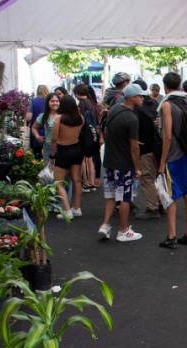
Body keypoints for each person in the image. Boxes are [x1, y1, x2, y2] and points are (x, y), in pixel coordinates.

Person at [158, 72, 187, 248]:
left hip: (174, 155)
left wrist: (162, 161)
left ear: (165, 86)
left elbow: (167, 135)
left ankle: (171, 235)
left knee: (171, 195)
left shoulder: (167, 105)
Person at [98, 83, 145, 242]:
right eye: (140, 96)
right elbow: (133, 147)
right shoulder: (132, 118)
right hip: (124, 163)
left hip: (110, 160)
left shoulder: (114, 110)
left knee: (111, 195)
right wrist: (136, 168)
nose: (142, 98)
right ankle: (123, 230)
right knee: (125, 197)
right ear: (132, 98)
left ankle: (105, 225)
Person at [132, 78, 163, 220]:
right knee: (156, 177)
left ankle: (153, 208)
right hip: (157, 145)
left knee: (146, 178)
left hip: (144, 147)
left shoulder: (138, 109)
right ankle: (161, 202)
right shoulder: (154, 103)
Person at [50, 95, 86, 218]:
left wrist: (52, 154)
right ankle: (77, 207)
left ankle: (66, 209)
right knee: (76, 180)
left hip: (63, 151)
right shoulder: (80, 118)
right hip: (77, 149)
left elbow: (54, 138)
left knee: (58, 182)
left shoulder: (58, 118)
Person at [73, 83, 100, 192]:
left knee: (83, 159)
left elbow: (81, 120)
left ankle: (86, 183)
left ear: (77, 93)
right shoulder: (92, 102)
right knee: (90, 159)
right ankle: (92, 182)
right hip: (93, 133)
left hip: (84, 134)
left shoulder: (82, 104)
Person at [30, 92, 60, 163]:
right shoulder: (43, 116)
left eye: (57, 101)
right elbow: (34, 128)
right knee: (49, 171)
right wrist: (37, 137)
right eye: (52, 101)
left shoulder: (63, 115)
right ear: (48, 103)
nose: (55, 103)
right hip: (48, 147)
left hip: (62, 147)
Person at [26, 85, 49, 159]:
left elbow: (29, 117)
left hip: (36, 130)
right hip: (48, 130)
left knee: (37, 154)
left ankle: (39, 168)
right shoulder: (50, 101)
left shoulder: (33, 101)